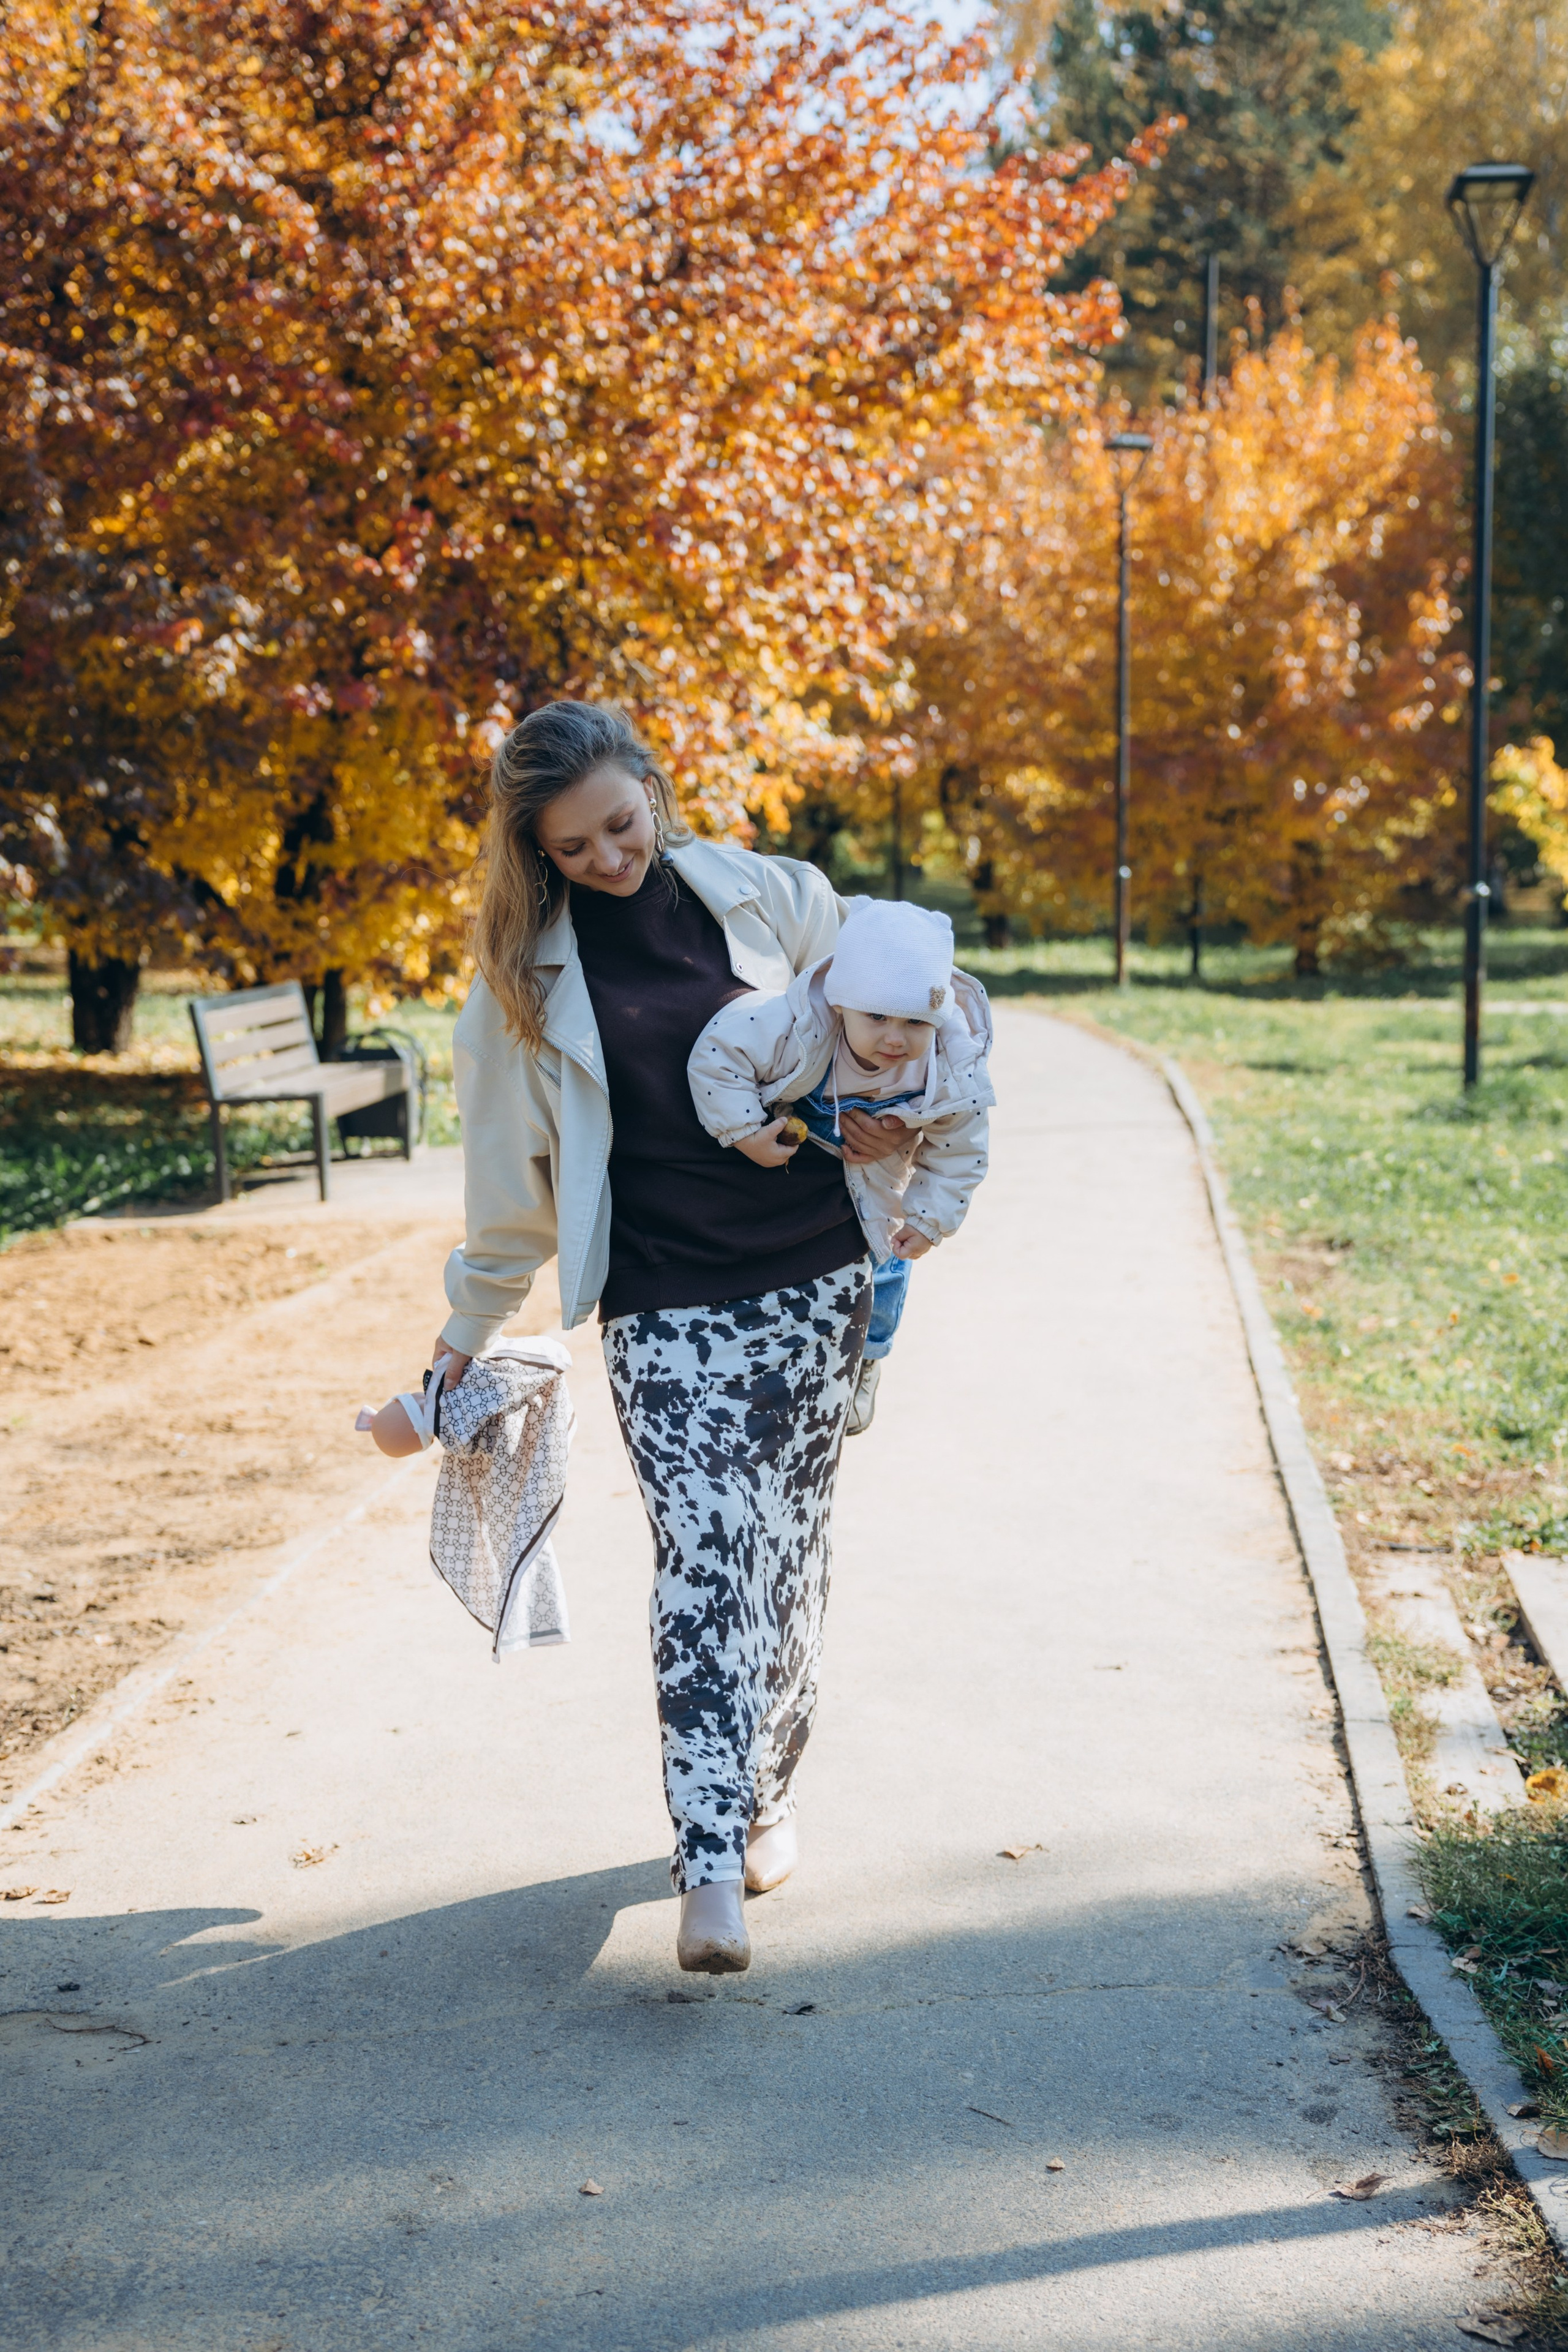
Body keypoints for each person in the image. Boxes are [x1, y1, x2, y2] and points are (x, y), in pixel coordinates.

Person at [429, 701, 911, 1975]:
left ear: (652, 786)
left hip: (817, 1280)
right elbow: (506, 1191)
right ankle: (706, 1861)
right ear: (534, 851)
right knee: (706, 1559)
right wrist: (464, 1333)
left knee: (787, 1559)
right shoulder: (518, 985)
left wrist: (892, 1118)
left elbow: (908, 1012)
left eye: (619, 826)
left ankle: (766, 1795)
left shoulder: (768, 896)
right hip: (662, 1308)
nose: (606, 859)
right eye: (572, 848)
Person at [685, 897, 993, 1434]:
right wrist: (744, 1130)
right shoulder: (797, 1022)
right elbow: (717, 1055)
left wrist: (930, 1218)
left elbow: (961, 1145)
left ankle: (871, 1354)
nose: (895, 1039)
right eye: (876, 1017)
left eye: (916, 1021)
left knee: (891, 1257)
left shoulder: (947, 1063)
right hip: (807, 1147)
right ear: (842, 1002)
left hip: (882, 1169)